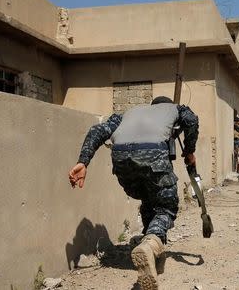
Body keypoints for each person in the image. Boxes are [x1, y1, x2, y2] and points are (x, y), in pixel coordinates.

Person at [68, 96, 198, 290]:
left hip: (121, 160)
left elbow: (98, 130)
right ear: (167, 105)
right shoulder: (175, 109)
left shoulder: (129, 113)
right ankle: (151, 245)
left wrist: (83, 161)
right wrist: (189, 151)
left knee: (149, 198)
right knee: (166, 207)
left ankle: (151, 248)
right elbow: (192, 120)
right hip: (152, 155)